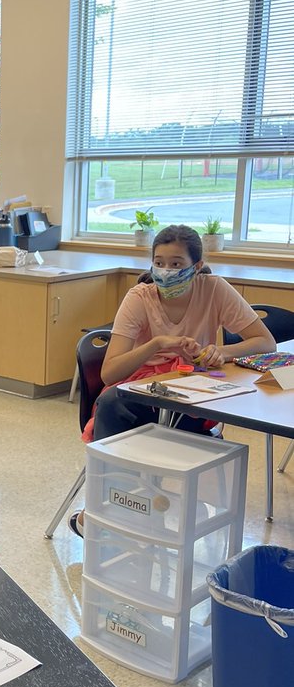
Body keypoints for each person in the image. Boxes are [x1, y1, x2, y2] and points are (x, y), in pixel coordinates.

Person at [69, 223, 275, 536]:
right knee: (120, 411)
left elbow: (265, 342)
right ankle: (113, 510)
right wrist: (156, 344)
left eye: (177, 264)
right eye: (160, 263)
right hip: (140, 393)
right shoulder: (140, 297)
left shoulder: (214, 289)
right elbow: (110, 373)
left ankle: (130, 509)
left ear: (198, 266)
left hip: (192, 390)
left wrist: (220, 351)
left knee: (188, 431)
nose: (166, 271)